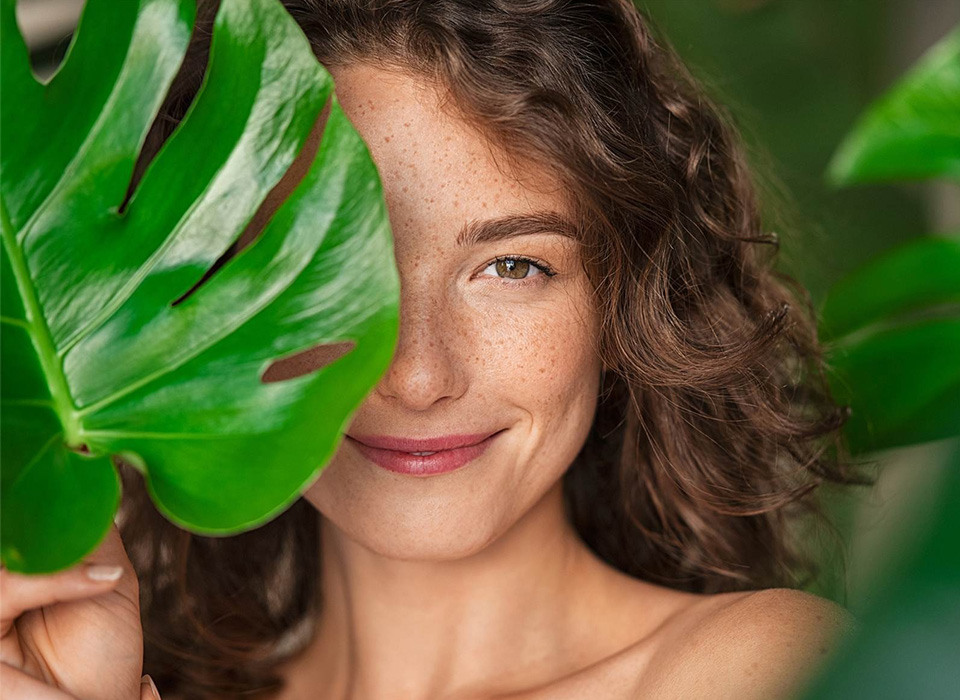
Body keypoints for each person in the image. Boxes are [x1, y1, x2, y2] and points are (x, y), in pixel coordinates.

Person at [1, 1, 869, 698]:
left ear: (621, 307)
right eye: (337, 274)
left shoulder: (755, 670)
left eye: (513, 266)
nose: (418, 376)